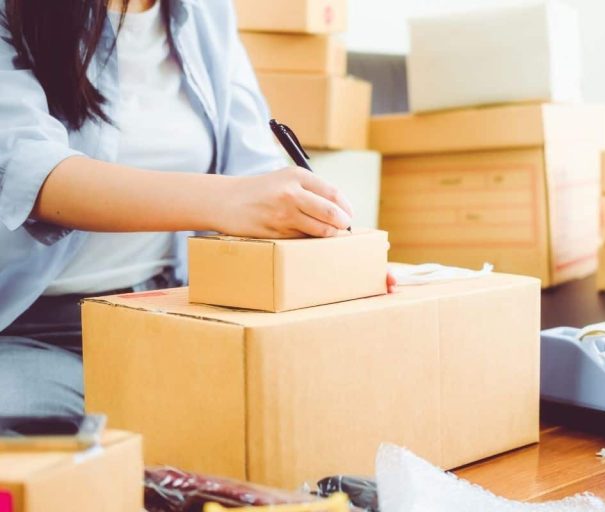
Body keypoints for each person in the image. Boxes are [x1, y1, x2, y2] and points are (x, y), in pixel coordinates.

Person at [0, 0, 394, 417]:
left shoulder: (206, 10)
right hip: (29, 327)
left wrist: (325, 258)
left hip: (171, 308)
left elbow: (252, 163)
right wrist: (228, 200)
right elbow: (28, 171)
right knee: (63, 446)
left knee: (311, 405)